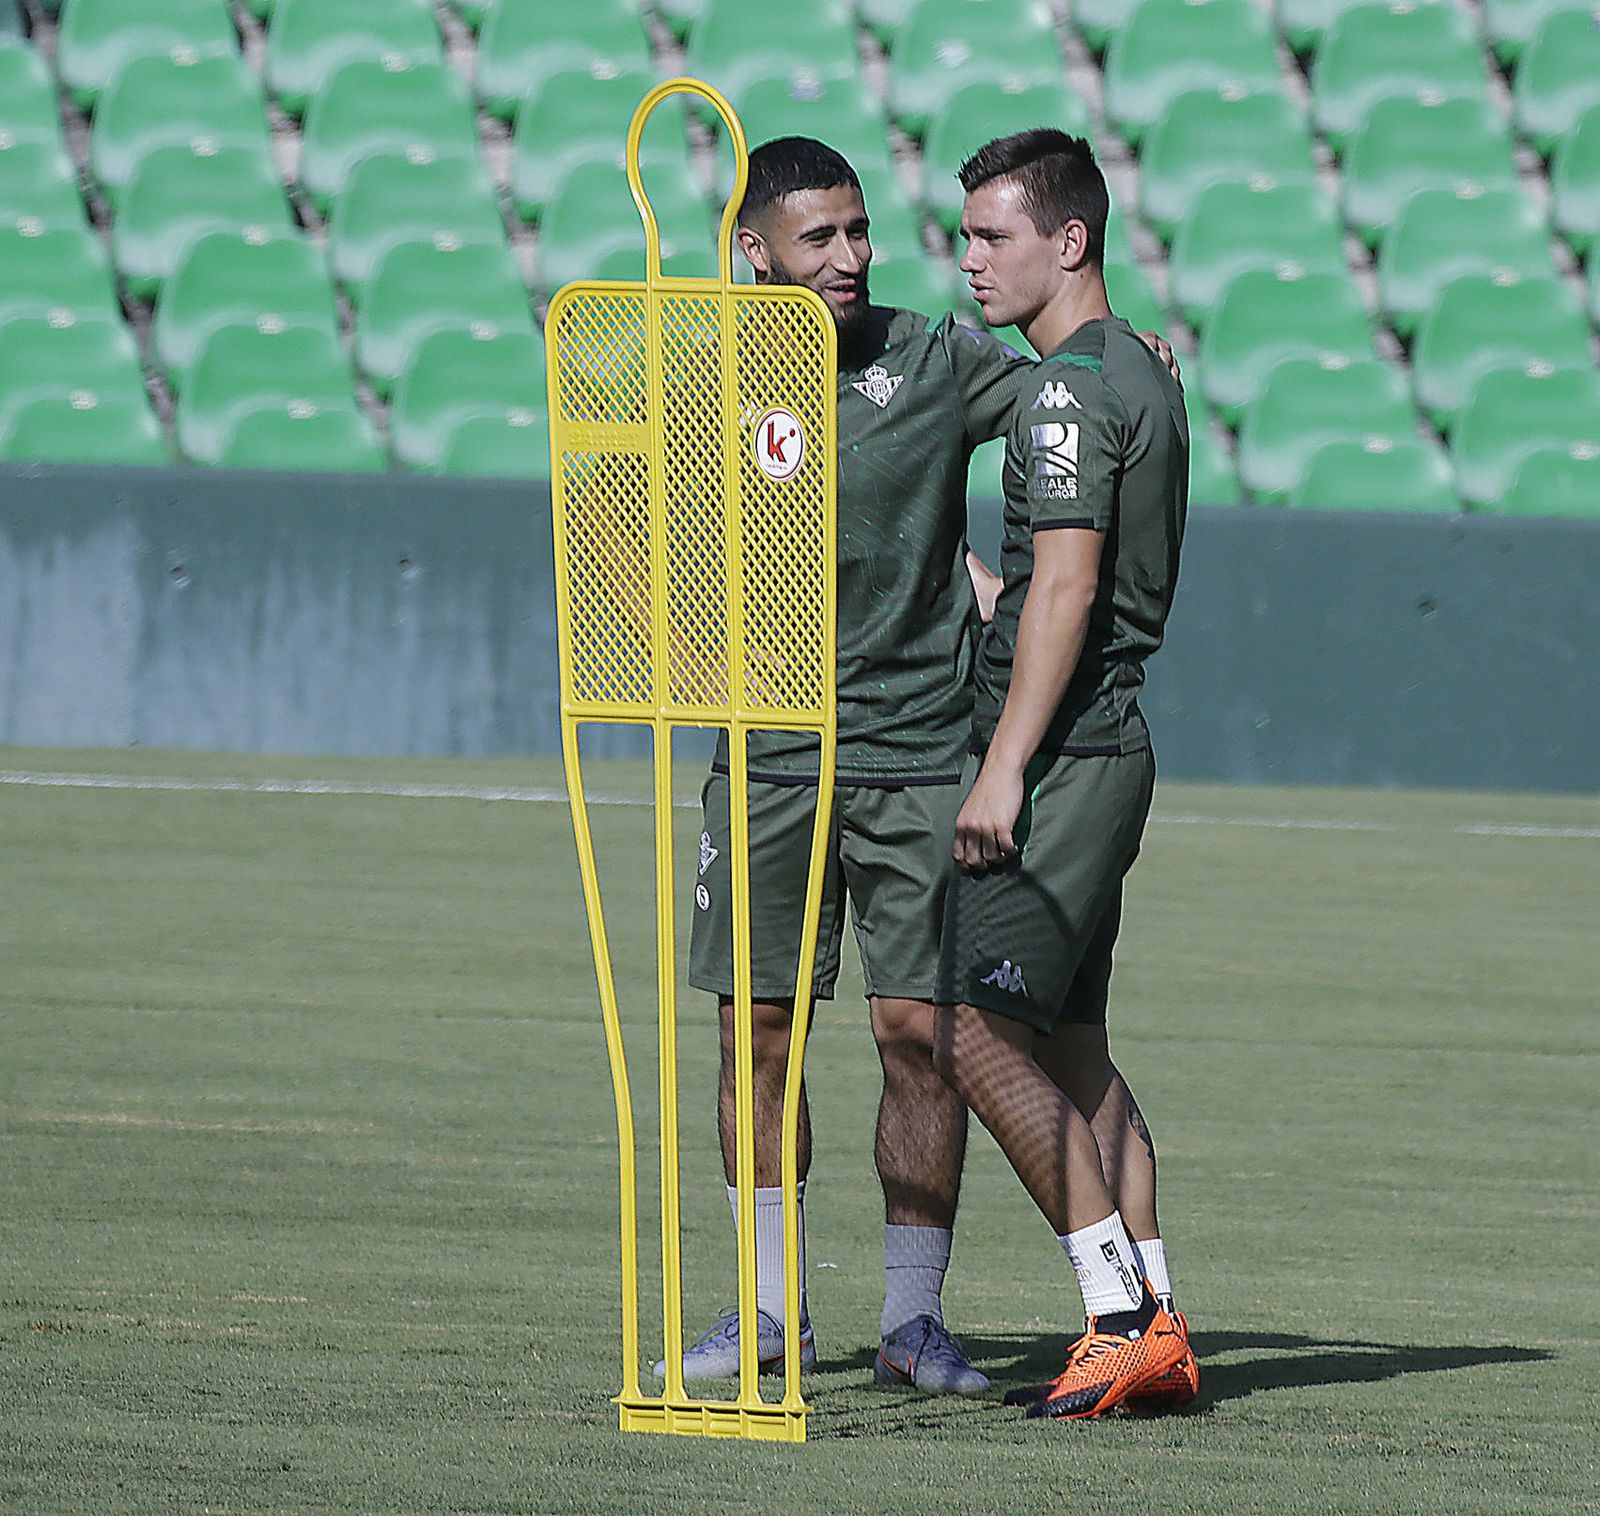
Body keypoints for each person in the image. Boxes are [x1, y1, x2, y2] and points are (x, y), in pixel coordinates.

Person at [658, 136, 1177, 1395]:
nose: (850, 257)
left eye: (857, 231)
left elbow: (1073, 396)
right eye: (818, 237)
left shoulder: (936, 356)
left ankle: (914, 1319)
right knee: (758, 1035)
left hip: (915, 750)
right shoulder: (702, 371)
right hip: (765, 752)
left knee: (920, 1034)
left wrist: (1144, 361)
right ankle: (769, 1312)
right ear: (753, 251)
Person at [932, 129, 1198, 1419]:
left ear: (1069, 241)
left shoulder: (1061, 395)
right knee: (1076, 1048)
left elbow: (1072, 584)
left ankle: (1114, 1313)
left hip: (1065, 757)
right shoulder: (1139, 371)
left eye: (992, 236)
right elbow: (1050, 580)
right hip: (1113, 747)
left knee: (971, 1033)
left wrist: (1000, 768)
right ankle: (1161, 1320)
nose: (968, 259)